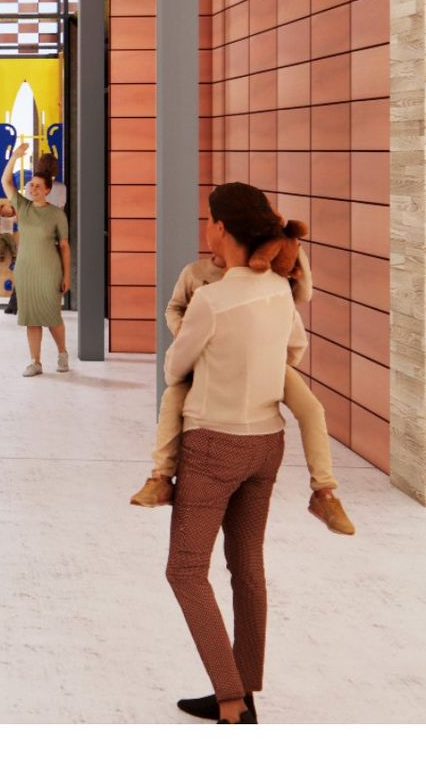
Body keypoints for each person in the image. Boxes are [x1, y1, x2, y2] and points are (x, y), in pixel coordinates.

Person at [160, 183, 309, 725]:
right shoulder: (279, 291)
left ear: (222, 228)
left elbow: (175, 366)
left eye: (210, 221)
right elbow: (296, 350)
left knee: (185, 569)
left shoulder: (211, 298)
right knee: (247, 566)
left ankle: (228, 701)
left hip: (213, 445)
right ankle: (245, 689)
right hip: (267, 444)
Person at [131, 223, 355, 536]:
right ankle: (160, 476)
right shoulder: (195, 274)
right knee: (172, 397)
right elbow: (174, 309)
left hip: (267, 360)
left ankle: (325, 493)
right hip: (208, 357)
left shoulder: (269, 280)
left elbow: (303, 297)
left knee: (312, 409)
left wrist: (293, 247)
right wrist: (184, 332)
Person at [1, 142, 70, 375]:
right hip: (26, 270)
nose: (33, 188)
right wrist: (15, 157)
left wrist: (67, 275)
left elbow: (64, 246)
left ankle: (62, 353)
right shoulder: (23, 206)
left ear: (48, 189)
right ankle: (35, 361)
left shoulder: (57, 215)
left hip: (50, 270)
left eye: (38, 186)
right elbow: (5, 182)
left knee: (51, 315)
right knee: (31, 317)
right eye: (31, 185)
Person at [0, 199, 19, 315]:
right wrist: (12, 208)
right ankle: (6, 255)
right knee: (8, 245)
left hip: (5, 235)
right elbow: (15, 216)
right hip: (6, 234)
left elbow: (14, 216)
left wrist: (8, 208)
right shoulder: (6, 218)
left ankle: (5, 255)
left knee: (7, 245)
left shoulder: (6, 218)